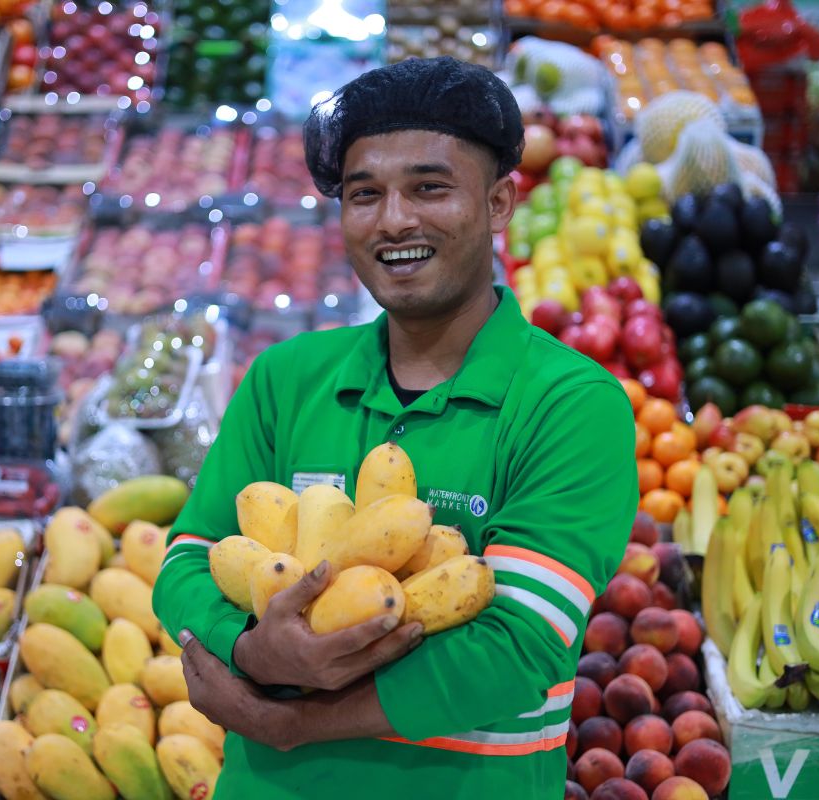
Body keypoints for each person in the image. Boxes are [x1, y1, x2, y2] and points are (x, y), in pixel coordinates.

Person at [152, 56, 638, 799]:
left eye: (430, 188)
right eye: (363, 194)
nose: (394, 220)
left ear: (500, 202)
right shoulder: (286, 379)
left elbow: (516, 646)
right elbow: (187, 562)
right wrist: (255, 649)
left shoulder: (573, 403)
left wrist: (295, 719)